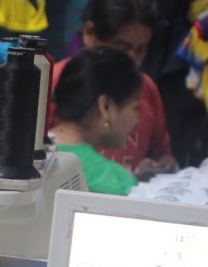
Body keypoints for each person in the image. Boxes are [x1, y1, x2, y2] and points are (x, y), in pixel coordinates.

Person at [49, 0, 177, 179]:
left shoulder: (147, 88)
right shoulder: (52, 84)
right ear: (89, 34)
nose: (132, 59)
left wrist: (156, 167)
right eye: (121, 47)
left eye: (141, 49)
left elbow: (164, 155)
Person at [50, 46, 143, 195]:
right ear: (106, 106)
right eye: (135, 107)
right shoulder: (113, 182)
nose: (137, 119)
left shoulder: (32, 155)